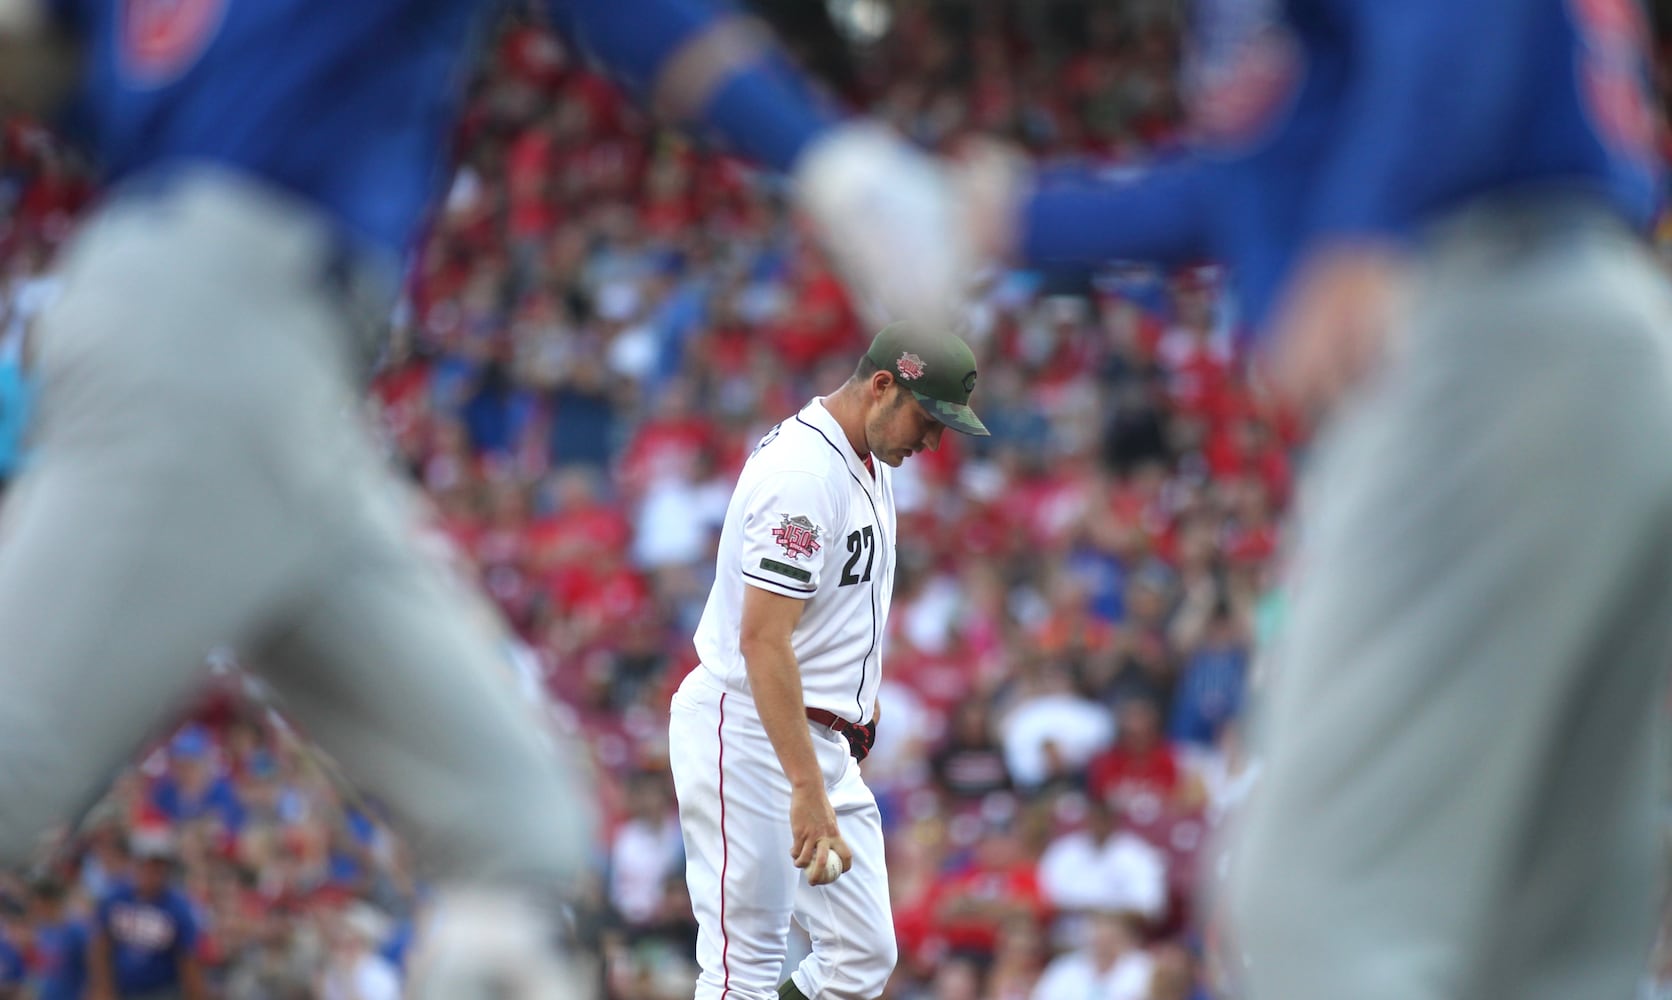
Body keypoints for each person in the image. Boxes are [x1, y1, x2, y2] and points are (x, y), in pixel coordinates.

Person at [0, 0, 967, 995]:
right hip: (219, 331)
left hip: (264, 357)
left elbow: (100, 97)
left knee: (519, 832)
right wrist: (816, 150)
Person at [954, 0, 1671, 996]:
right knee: (1541, 942)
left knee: (1315, 910)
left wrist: (1366, 223)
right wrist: (1021, 217)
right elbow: (1262, 167)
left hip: (1481, 317)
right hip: (1595, 325)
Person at [668, 323, 989, 1000]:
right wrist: (806, 787)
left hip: (815, 735)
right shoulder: (804, 474)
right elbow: (761, 639)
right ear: (882, 387)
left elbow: (836, 608)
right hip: (752, 729)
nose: (932, 442)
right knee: (743, 967)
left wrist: (856, 701)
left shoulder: (862, 453)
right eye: (929, 420)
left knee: (862, 955)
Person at [89, 833, 206, 1000]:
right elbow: (100, 945)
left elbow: (188, 961)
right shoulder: (116, 897)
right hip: (124, 989)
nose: (150, 872)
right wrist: (103, 988)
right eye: (144, 865)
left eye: (157, 867)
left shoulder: (178, 908)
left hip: (163, 990)